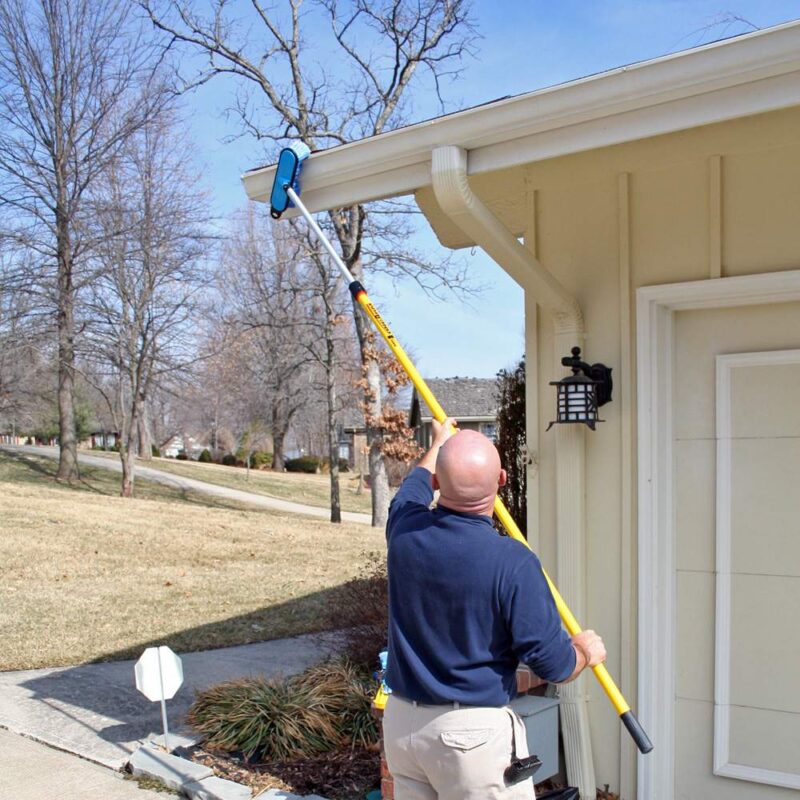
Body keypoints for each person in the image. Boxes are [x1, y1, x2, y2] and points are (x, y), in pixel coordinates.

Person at [382, 417, 606, 800]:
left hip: (404, 726)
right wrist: (584, 651)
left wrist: (438, 442)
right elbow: (553, 665)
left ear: (438, 482)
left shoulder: (404, 532)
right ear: (502, 480)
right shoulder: (513, 563)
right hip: (470, 739)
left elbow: (412, 487)